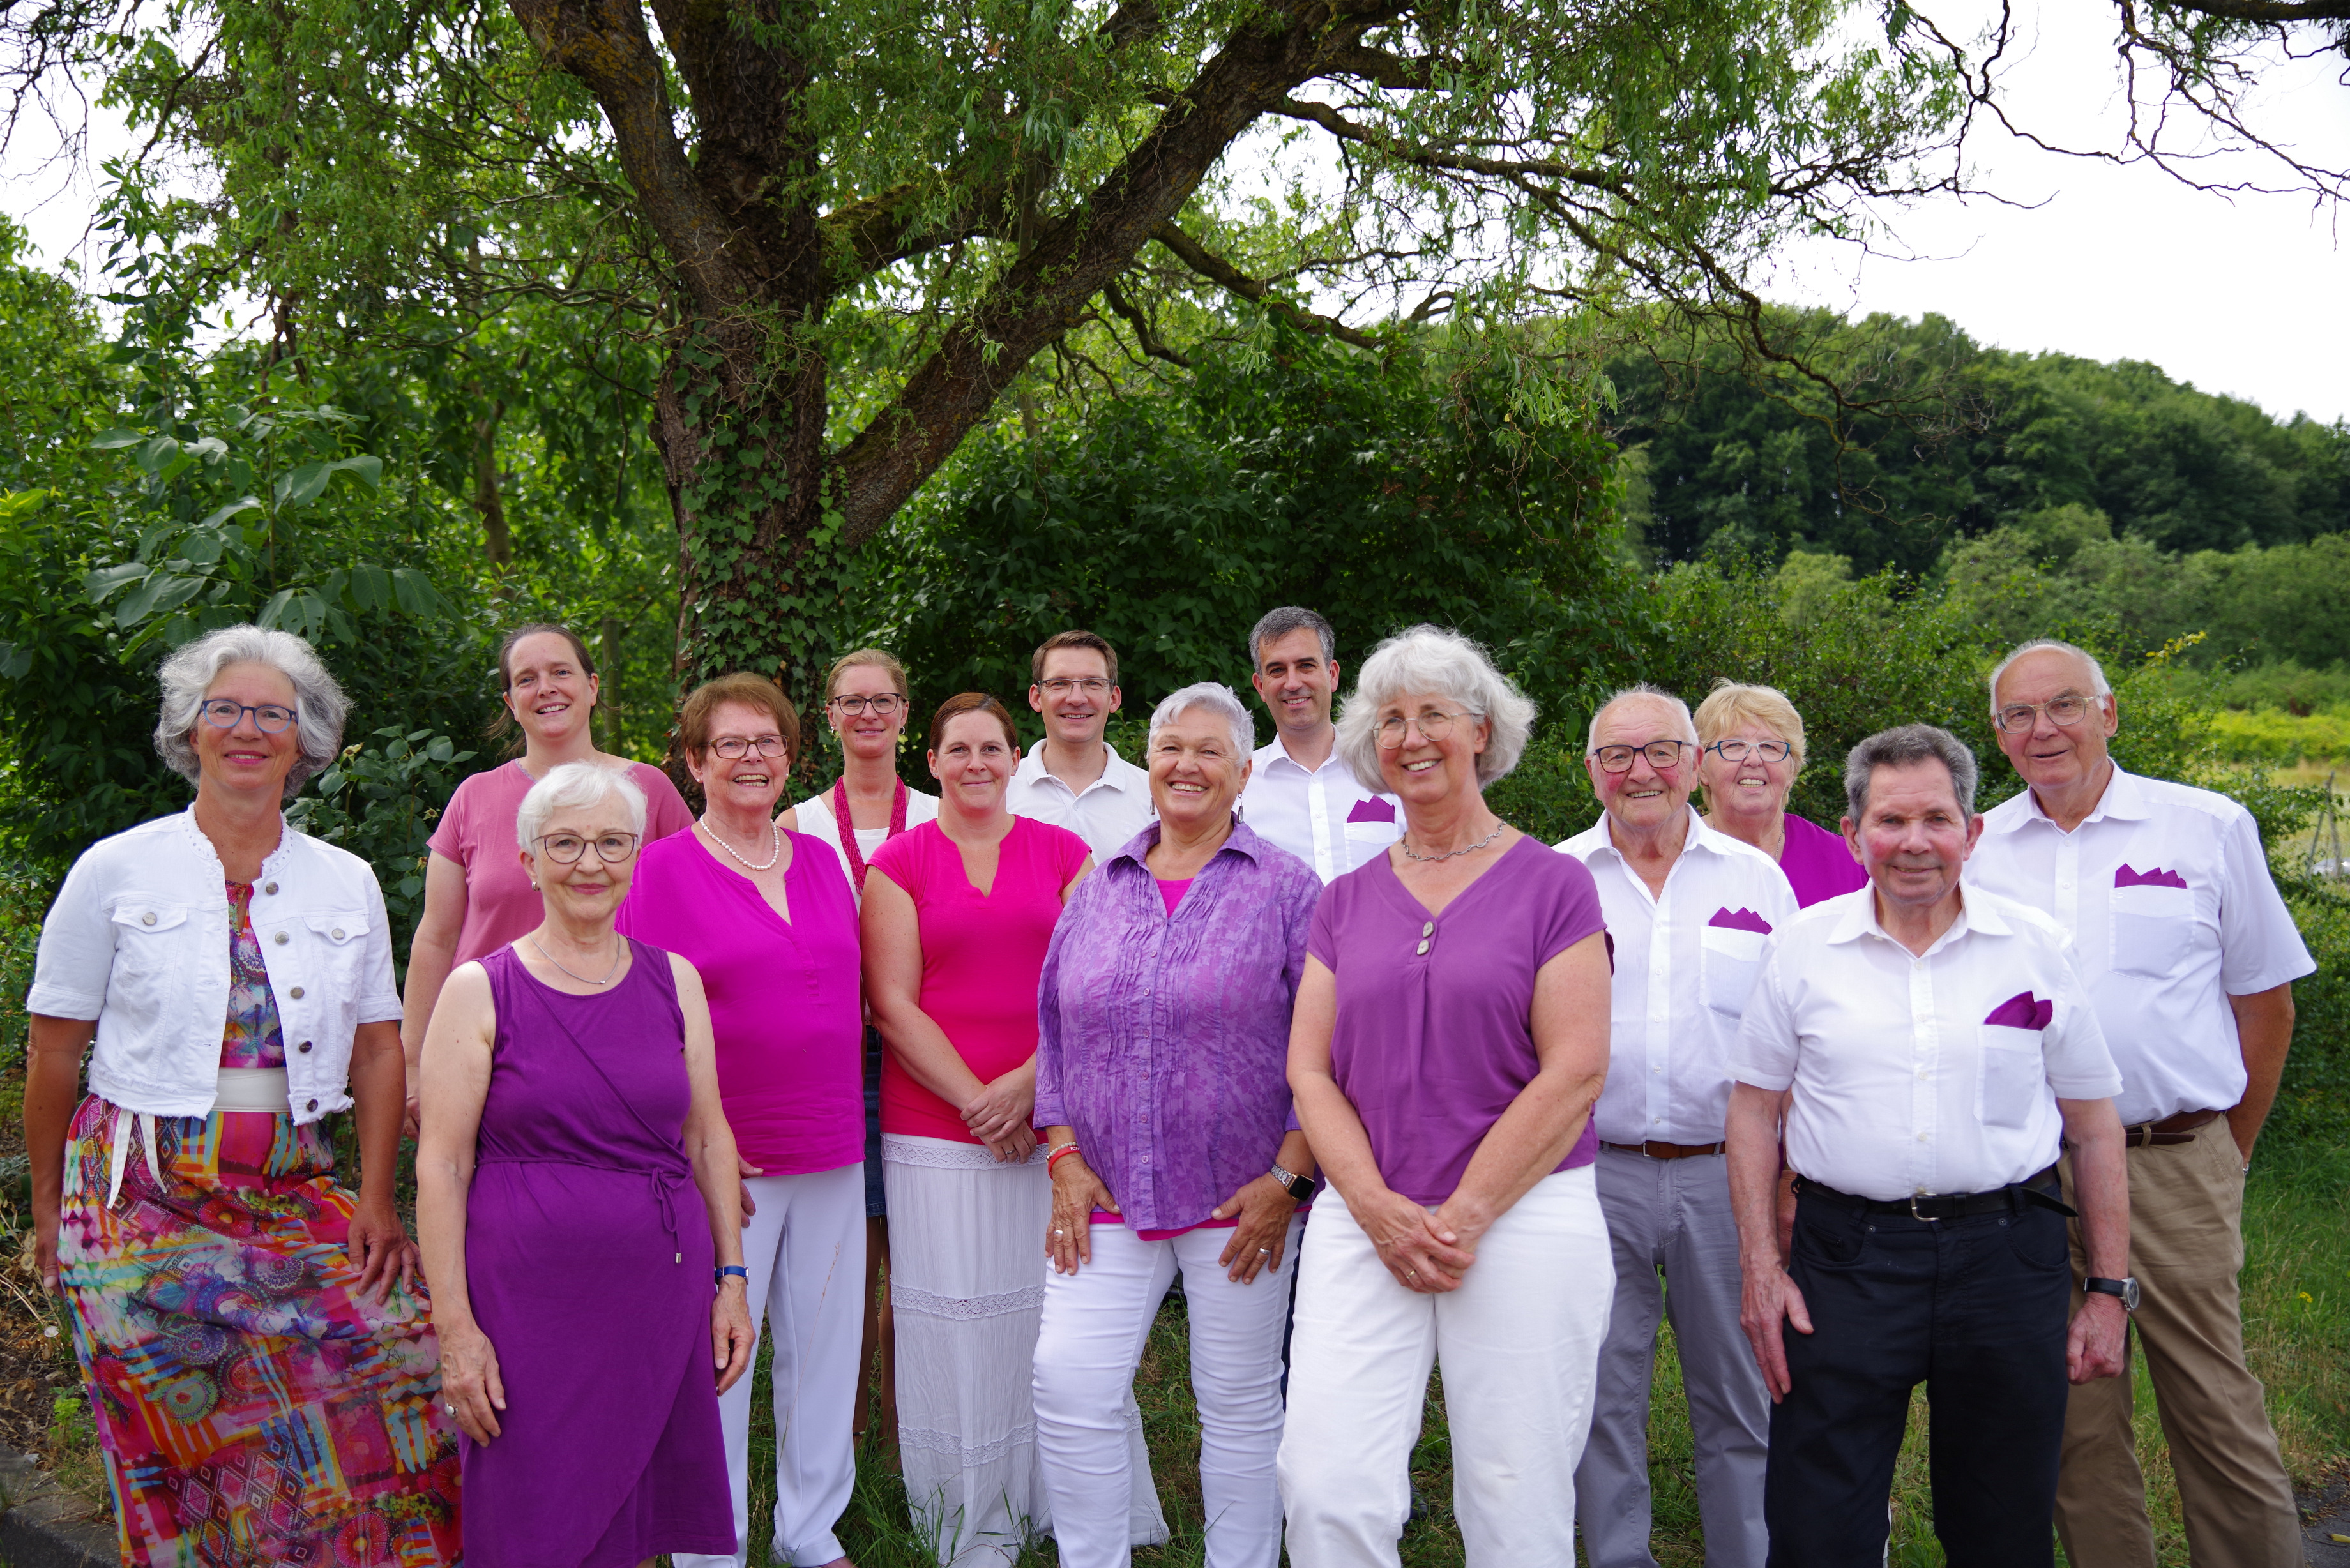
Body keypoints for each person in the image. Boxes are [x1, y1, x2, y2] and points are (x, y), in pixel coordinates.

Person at [22, 623, 462, 1568]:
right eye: (227, 709)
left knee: (403, 1352)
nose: (249, 728)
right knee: (178, 1453)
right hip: (136, 1204)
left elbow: (380, 1055)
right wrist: (47, 1206)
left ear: (306, 740)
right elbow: (55, 1051)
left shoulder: (342, 882)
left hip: (290, 1192)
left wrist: (378, 1201)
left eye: (274, 713)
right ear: (190, 730)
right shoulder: (115, 869)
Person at [1727, 723, 2132, 1568]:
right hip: (1844, 1260)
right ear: (1853, 835)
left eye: (1937, 820)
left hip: (2005, 1258)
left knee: (2002, 1525)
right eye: (1890, 821)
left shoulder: (2035, 948)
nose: (1915, 844)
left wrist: (2105, 1290)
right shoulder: (1802, 947)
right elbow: (1753, 1110)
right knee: (1816, 1525)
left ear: (1972, 832)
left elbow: (2094, 1128)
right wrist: (1762, 1272)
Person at [1965, 639, 2316, 1568]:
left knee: (2212, 1403)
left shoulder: (2206, 826)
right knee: (2074, 1416)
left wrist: (2224, 1151)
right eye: (2019, 716)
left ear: (2109, 713)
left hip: (2173, 1162)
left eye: (2065, 705)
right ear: (1998, 737)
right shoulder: (1978, 849)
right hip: (2038, 1179)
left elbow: (2266, 1003)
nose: (2044, 730)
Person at [1277, 625, 1616, 1568]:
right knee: (1324, 1484)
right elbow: (1311, 1070)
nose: (1411, 736)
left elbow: (1578, 1067)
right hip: (1365, 1209)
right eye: (1390, 720)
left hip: (1525, 1211)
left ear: (1481, 732)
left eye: (1434, 714)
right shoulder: (1342, 901)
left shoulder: (1554, 885)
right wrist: (1379, 1210)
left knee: (1515, 1492)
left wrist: (1465, 1213)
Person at [415, 760, 754, 1568]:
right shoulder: (477, 989)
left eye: (611, 841)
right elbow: (442, 1165)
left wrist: (731, 1280)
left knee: (636, 1502)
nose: (590, 862)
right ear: (528, 861)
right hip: (524, 1304)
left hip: (656, 1290)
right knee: (530, 1504)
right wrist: (455, 1328)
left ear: (636, 855)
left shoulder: (676, 980)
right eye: (564, 842)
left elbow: (708, 1138)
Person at [1032, 682, 1325, 1568]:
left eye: (1209, 751)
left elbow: (1330, 1047)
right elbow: (1051, 1024)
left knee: (1237, 1401)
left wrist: (1290, 1180)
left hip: (1243, 1197)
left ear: (1243, 773)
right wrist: (1064, 1153)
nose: (1186, 765)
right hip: (1105, 1186)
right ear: (1147, 763)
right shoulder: (1101, 885)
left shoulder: (1288, 889)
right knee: (1069, 1383)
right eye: (1170, 748)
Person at [865, 693, 1132, 1566]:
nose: (975, 763)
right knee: (953, 1322)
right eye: (957, 749)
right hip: (932, 1133)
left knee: (1053, 1321)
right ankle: (965, 1513)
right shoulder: (898, 864)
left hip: (1050, 1126)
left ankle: (1060, 1503)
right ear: (931, 761)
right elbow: (893, 1005)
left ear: (1015, 758)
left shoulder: (1068, 854)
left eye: (992, 748)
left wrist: (1024, 1091)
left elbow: (1089, 993)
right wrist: (979, 1104)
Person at [618, 674, 866, 1568]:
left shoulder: (822, 863)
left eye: (767, 742)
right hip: (730, 1163)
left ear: (791, 755)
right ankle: (710, 1547)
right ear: (693, 763)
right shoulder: (657, 874)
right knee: (720, 1357)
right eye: (730, 745)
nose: (752, 758)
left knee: (828, 1349)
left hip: (836, 1141)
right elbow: (639, 1020)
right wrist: (688, 1143)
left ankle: (810, 1531)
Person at [1554, 684, 1794, 1568]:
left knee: (1741, 1393)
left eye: (1660, 751)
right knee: (1600, 1393)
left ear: (1696, 765)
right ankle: (1618, 1558)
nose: (1640, 771)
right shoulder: (1556, 878)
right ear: (1591, 772)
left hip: (1726, 1174)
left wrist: (1790, 1181)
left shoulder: (1757, 880)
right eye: (1617, 755)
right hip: (1590, 1169)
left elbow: (1796, 1037)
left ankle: (1749, 1557)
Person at [400, 622, 694, 1122]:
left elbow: (689, 925)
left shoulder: (650, 790)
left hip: (623, 1044)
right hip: (487, 1047)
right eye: (527, 678)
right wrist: (413, 1067)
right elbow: (436, 937)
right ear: (511, 702)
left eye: (562, 671)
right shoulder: (474, 796)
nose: (547, 688)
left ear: (593, 687)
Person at [783, 646, 942, 1449]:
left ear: (905, 714)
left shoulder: (948, 811)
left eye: (884, 699)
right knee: (850, 1256)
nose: (869, 713)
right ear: (831, 716)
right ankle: (843, 1444)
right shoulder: (798, 823)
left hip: (927, 1055)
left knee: (914, 1253)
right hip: (838, 1061)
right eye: (852, 701)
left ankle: (906, 1433)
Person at [1236, 607, 1400, 881]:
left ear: (1332, 674)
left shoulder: (1391, 771)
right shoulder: (1236, 786)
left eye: (1306, 666)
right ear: (1261, 687)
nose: (1292, 683)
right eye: (1277, 670)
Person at [1693, 680, 1867, 908]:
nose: (1754, 760)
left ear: (1792, 771)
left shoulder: (1848, 864)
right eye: (1734, 745)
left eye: (1770, 747)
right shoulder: (1673, 859)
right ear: (1702, 768)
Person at [1007, 629, 1155, 859]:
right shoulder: (1001, 792)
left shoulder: (1153, 796)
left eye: (1093, 683)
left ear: (1114, 698)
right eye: (1060, 683)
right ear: (1036, 698)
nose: (1076, 698)